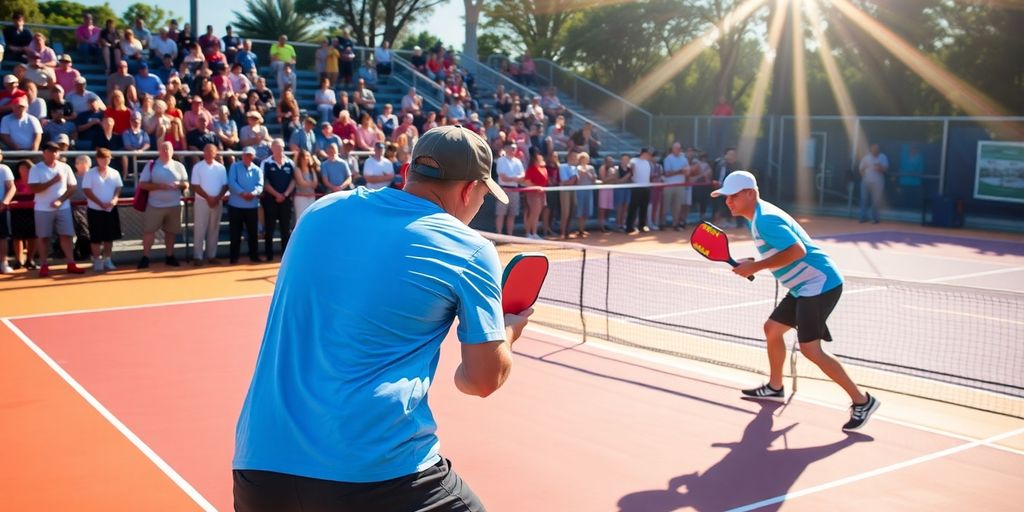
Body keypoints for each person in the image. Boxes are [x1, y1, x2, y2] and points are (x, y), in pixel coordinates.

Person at [232, 125, 531, 512]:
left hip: (259, 465)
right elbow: (480, 380)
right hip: (374, 472)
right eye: (483, 197)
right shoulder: (469, 248)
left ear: (409, 171)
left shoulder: (320, 211)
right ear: (468, 190)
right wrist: (507, 331)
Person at [712, 171, 880, 431]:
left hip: (819, 284)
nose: (728, 202)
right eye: (726, 197)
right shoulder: (756, 217)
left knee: (811, 350)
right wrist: (753, 263)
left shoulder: (765, 219)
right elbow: (780, 251)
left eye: (733, 196)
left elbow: (797, 251)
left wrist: (755, 268)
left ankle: (862, 401)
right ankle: (775, 387)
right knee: (772, 329)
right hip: (804, 285)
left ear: (750, 194)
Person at [29, 142, 85, 277]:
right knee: (43, 237)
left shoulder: (65, 167)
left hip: (63, 208)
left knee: (67, 235)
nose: (54, 154)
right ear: (44, 153)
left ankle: (71, 263)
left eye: (56, 151)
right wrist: (52, 182)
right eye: (51, 151)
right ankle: (44, 265)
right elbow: (34, 188)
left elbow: (72, 187)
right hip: (42, 209)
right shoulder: (36, 169)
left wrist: (61, 200)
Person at [137, 141, 189, 269]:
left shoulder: (179, 166)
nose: (166, 152)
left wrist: (179, 185)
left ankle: (169, 256)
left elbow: (186, 183)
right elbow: (142, 184)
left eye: (168, 149)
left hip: (174, 205)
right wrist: (159, 186)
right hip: (155, 205)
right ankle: (145, 257)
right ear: (159, 151)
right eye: (164, 149)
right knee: (149, 231)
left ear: (172, 151)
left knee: (171, 232)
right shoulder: (152, 165)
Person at [81, 147, 122, 272]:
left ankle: (108, 260)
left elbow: (118, 187)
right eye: (101, 158)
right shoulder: (90, 174)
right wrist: (99, 203)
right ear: (97, 159)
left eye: (107, 158)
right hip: (95, 210)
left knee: (109, 237)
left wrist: (114, 199)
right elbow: (87, 190)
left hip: (110, 210)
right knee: (96, 237)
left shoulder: (115, 173)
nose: (104, 161)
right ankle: (97, 261)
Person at [191, 143, 228, 265]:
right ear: (203, 152)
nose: (209, 153)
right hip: (202, 202)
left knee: (214, 229)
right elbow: (195, 186)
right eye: (207, 151)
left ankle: (212, 255)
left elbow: (225, 185)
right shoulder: (198, 167)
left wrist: (217, 198)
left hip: (217, 202)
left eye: (211, 151)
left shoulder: (221, 168)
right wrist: (208, 198)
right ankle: (198, 256)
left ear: (216, 153)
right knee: (200, 229)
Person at [260, 138, 295, 261]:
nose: (280, 149)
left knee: (285, 229)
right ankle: (269, 255)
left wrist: (285, 195)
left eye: (281, 147)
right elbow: (264, 182)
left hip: (286, 200)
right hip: (270, 200)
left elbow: (293, 180)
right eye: (277, 147)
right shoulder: (266, 163)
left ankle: (285, 257)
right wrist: (276, 194)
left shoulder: (290, 163)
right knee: (269, 228)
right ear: (272, 148)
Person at [227, 146, 263, 264]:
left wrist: (253, 193)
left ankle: (254, 256)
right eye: (246, 155)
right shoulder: (234, 166)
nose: (248, 157)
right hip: (235, 206)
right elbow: (232, 182)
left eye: (250, 155)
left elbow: (260, 185)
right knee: (235, 233)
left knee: (253, 233)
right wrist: (242, 193)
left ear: (253, 157)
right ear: (242, 156)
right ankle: (234, 257)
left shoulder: (257, 170)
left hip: (252, 206)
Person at [858, 143, 888, 224]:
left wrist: (879, 167)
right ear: (871, 149)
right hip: (866, 182)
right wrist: (864, 178)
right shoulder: (866, 157)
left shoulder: (883, 157)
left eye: (876, 149)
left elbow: (885, 169)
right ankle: (863, 217)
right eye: (873, 149)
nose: (875, 151)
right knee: (864, 199)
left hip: (878, 182)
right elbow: (861, 169)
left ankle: (875, 218)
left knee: (876, 200)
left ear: (878, 150)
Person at [0, 150, 14, 274]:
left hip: (1, 208)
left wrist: (5, 202)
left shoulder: (4, 169)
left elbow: (11, 188)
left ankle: (3, 263)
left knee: (2, 237)